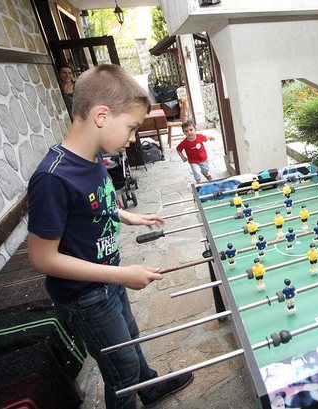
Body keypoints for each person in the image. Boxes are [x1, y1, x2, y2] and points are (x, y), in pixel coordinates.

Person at [27, 64, 193, 409]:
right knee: (121, 372)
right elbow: (42, 258)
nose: (132, 138)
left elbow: (92, 206)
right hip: (85, 296)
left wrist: (127, 215)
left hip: (109, 279)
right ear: (101, 116)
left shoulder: (93, 158)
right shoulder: (52, 178)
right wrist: (121, 275)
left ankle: (149, 387)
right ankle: (135, 389)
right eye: (131, 128)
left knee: (129, 340)